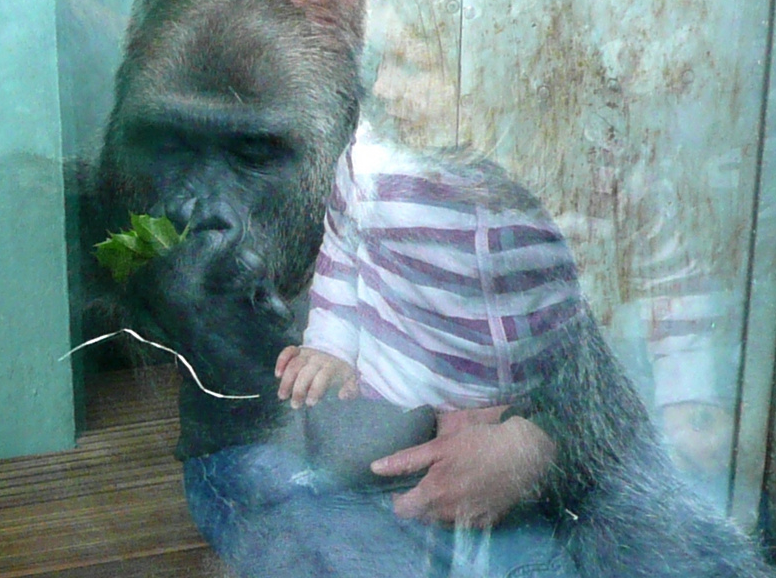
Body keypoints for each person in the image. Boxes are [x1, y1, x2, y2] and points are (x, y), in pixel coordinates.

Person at [185, 123, 584, 578]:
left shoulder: (539, 156)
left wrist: (535, 431)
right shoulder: (370, 157)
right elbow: (341, 247)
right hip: (362, 412)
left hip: (503, 402)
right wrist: (331, 345)